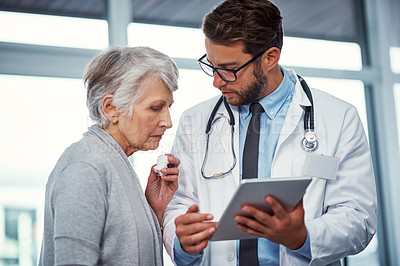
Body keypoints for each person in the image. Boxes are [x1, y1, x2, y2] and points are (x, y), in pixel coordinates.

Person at [162, 0, 377, 265]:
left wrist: (302, 237)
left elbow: (359, 218)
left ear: (270, 58)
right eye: (211, 65)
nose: (216, 82)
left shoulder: (338, 117)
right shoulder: (195, 120)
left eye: (229, 70)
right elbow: (180, 202)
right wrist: (182, 242)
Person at [39, 46, 180, 265]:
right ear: (111, 108)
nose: (168, 122)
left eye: (168, 107)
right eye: (155, 108)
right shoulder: (85, 165)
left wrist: (155, 211)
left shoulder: (114, 161)